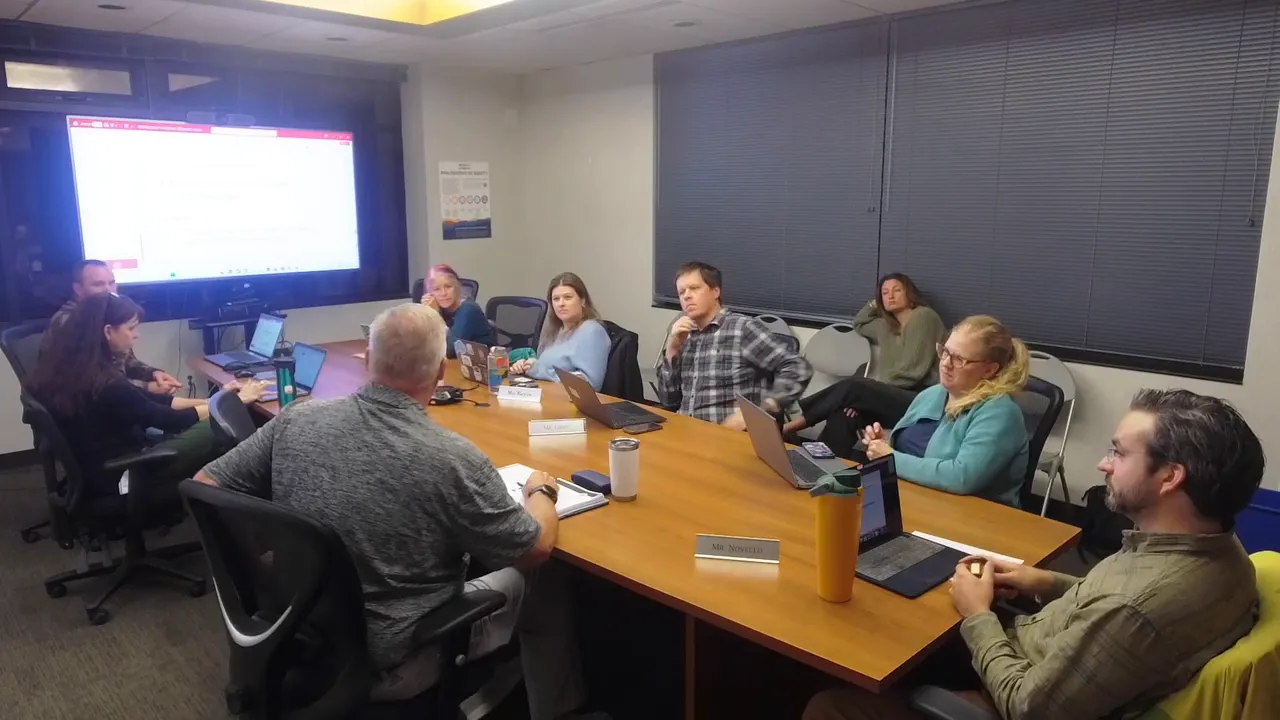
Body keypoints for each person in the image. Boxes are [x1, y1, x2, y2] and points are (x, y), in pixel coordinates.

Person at [194, 303, 589, 720]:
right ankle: (559, 709)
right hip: (401, 658)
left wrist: (263, 574)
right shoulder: (450, 458)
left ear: (369, 358)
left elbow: (206, 486)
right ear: (440, 372)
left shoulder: (297, 417)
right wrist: (541, 490)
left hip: (297, 629)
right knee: (547, 575)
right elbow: (537, 546)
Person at [804, 388, 1265, 720]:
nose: (1104, 464)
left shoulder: (1139, 607)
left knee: (831, 695)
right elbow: (1107, 607)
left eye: (1119, 453)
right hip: (1040, 644)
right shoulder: (1219, 550)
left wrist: (977, 614)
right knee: (891, 619)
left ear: (1170, 478)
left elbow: (1029, 706)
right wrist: (1044, 581)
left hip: (1007, 689)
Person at [28, 293, 265, 498]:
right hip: (127, 474)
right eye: (131, 328)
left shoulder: (76, 369)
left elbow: (159, 402)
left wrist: (222, 396)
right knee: (226, 426)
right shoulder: (106, 384)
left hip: (99, 469)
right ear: (108, 332)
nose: (137, 335)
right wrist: (236, 403)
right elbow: (171, 420)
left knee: (221, 420)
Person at [862, 315, 1029, 505]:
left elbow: (961, 477)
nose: (945, 363)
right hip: (914, 498)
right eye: (945, 351)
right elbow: (913, 448)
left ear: (989, 370)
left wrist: (891, 458)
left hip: (972, 516)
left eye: (959, 359)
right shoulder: (933, 394)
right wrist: (883, 443)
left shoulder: (1000, 412)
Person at [783, 273, 946, 454]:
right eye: (884, 293)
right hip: (893, 398)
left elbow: (912, 372)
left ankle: (790, 427)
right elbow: (859, 322)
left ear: (910, 294)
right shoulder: (886, 326)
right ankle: (818, 466)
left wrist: (867, 395)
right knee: (845, 413)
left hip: (922, 400)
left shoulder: (924, 317)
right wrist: (876, 302)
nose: (890, 296)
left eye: (897, 290)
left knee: (855, 388)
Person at [656, 261, 812, 428]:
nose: (686, 296)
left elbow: (797, 367)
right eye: (681, 292)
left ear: (716, 291)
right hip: (689, 431)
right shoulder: (684, 335)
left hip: (729, 437)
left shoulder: (742, 328)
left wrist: (761, 410)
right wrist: (673, 349)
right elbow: (668, 401)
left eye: (694, 288)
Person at [41, 259, 182, 395]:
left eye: (112, 283)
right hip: (73, 403)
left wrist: (153, 374)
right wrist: (146, 388)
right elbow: (92, 380)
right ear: (78, 289)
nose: (108, 290)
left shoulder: (109, 315)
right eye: (98, 284)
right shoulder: (70, 321)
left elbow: (125, 361)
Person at [509, 272, 611, 391]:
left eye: (568, 297)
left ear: (583, 301)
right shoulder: (555, 331)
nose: (561, 304)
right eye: (556, 299)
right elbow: (543, 367)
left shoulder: (591, 330)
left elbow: (589, 384)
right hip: (545, 395)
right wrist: (526, 365)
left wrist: (539, 370)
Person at [419, 264, 494, 357]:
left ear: (457, 287)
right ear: (429, 293)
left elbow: (451, 350)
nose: (443, 293)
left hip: (484, 366)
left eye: (448, 286)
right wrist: (425, 313)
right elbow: (419, 345)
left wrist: (435, 315)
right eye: (436, 289)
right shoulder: (437, 308)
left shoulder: (469, 309)